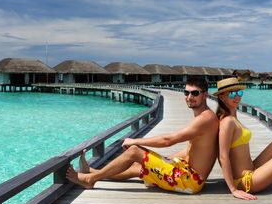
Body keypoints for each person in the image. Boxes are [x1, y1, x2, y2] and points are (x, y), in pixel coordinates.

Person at [66, 77, 219, 194]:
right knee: (137, 167)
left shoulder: (205, 119)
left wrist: (134, 141)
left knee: (134, 151)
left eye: (194, 93)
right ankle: (94, 172)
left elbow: (168, 140)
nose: (189, 97)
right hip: (186, 172)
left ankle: (90, 180)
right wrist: (166, 161)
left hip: (190, 182)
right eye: (186, 92)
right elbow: (192, 150)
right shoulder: (204, 117)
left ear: (205, 95)